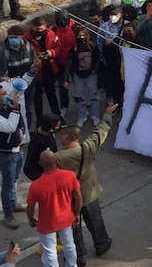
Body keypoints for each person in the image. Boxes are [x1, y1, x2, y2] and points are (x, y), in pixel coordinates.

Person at [56, 103, 117, 264]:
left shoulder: (58, 157)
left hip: (70, 198)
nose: (61, 137)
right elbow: (100, 132)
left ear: (67, 137)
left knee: (74, 227)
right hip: (89, 192)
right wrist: (107, 114)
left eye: (63, 135)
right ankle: (101, 243)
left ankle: (79, 255)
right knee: (95, 219)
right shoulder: (88, 147)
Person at [26, 150, 81, 267]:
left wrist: (31, 219)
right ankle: (72, 265)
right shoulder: (70, 175)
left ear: (40, 164)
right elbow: (78, 197)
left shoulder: (35, 185)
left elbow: (30, 207)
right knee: (69, 244)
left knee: (50, 251)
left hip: (47, 222)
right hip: (66, 217)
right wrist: (76, 213)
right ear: (56, 161)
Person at [25, 17, 61, 123]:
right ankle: (40, 121)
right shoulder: (27, 38)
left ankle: (57, 118)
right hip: (36, 71)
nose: (39, 31)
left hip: (49, 69)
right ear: (32, 27)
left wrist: (51, 53)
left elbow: (58, 47)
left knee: (52, 94)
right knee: (37, 98)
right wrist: (36, 57)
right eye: (37, 29)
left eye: (41, 29)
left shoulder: (50, 34)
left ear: (45, 26)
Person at [63, 27, 100, 126]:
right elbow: (69, 64)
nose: (81, 38)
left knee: (94, 96)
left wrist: (94, 70)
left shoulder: (92, 47)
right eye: (79, 36)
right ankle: (81, 116)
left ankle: (95, 116)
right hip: (78, 76)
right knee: (79, 97)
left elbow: (97, 59)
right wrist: (66, 79)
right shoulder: (74, 49)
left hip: (91, 75)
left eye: (83, 36)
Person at [0, 84, 24, 231]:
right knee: (8, 185)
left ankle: (13, 203)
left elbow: (18, 125)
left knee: (15, 179)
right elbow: (9, 126)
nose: (6, 94)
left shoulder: (7, 107)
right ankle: (8, 214)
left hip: (17, 149)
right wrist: (15, 109)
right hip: (6, 154)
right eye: (2, 93)